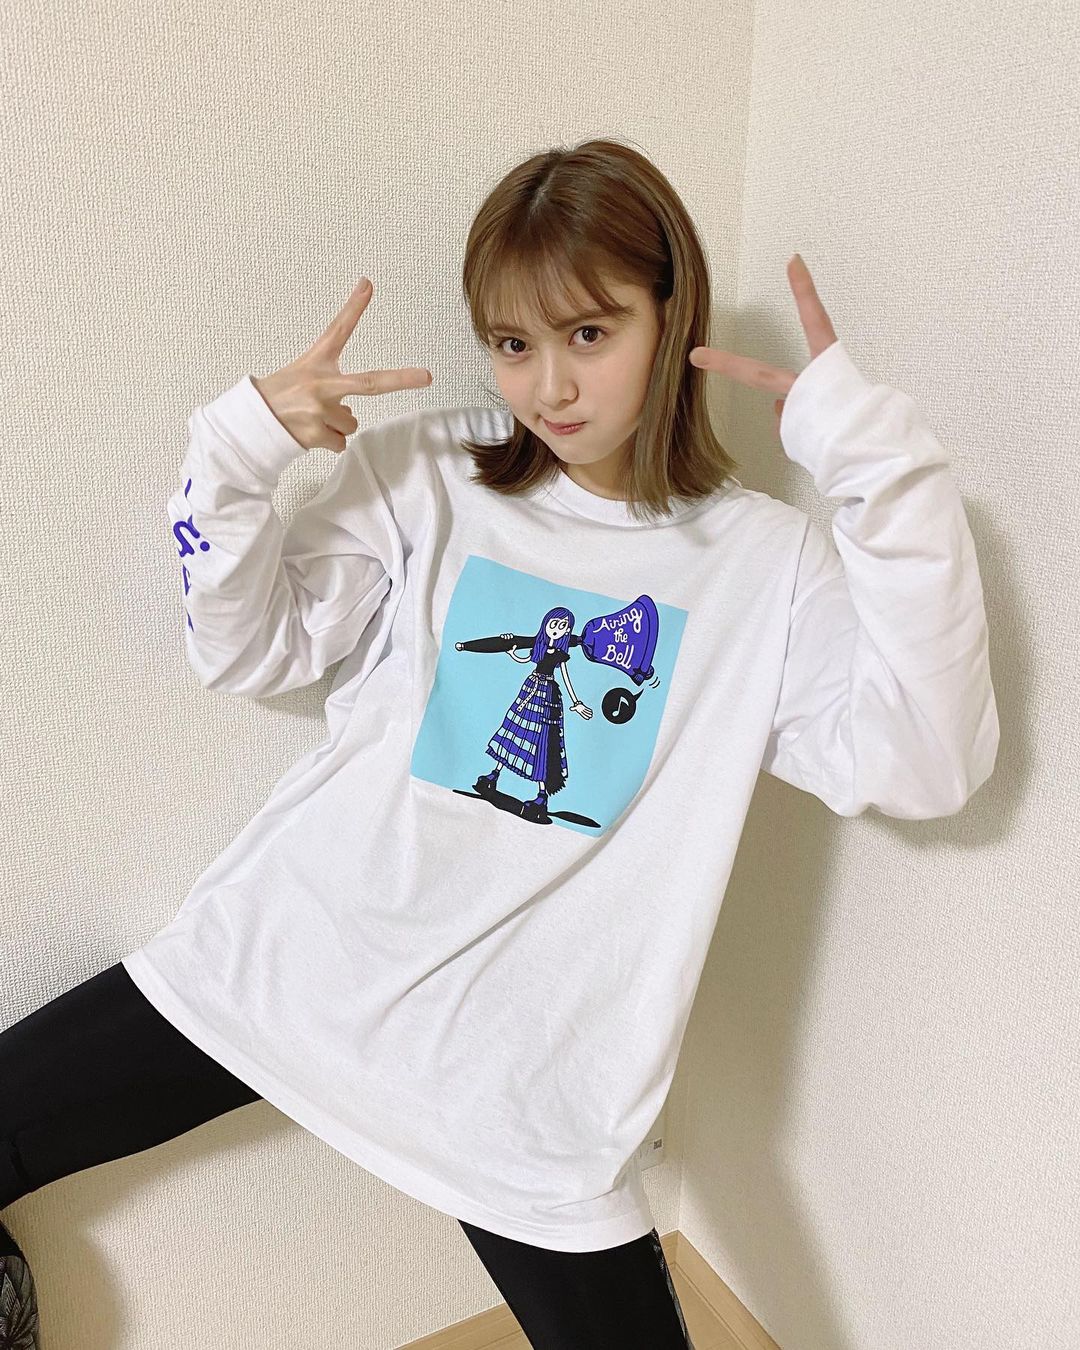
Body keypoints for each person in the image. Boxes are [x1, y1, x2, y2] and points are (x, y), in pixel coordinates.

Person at [1, 137, 999, 1348]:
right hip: (294, 966)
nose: (550, 388)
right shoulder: (430, 470)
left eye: (589, 333)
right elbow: (250, 650)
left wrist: (886, 479)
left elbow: (928, 765)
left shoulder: (763, 566)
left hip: (529, 1094)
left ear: (669, 313)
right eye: (515, 345)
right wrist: (237, 451)